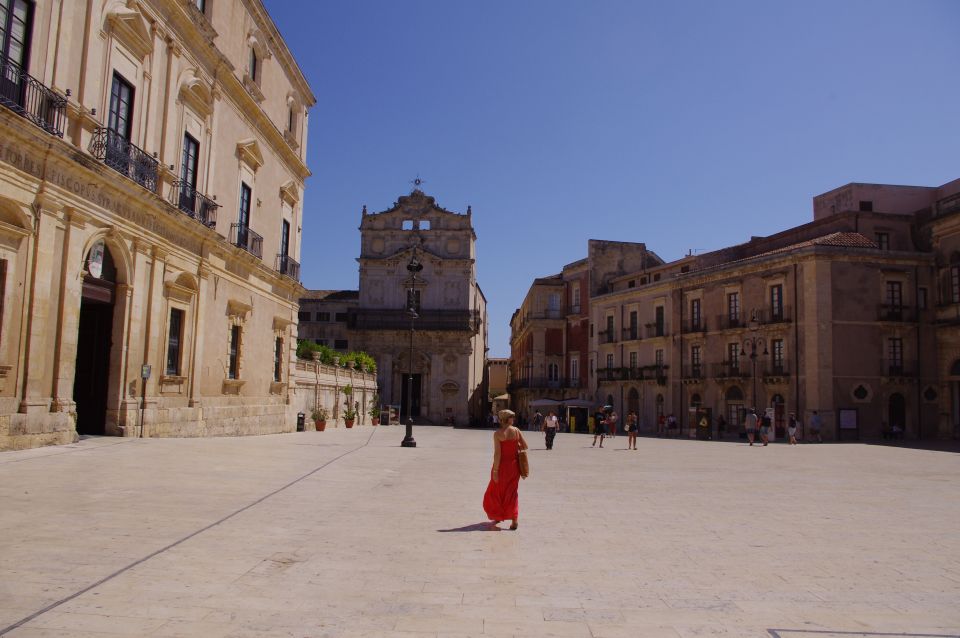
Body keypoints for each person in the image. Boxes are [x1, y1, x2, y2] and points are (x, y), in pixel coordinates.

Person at [482, 409, 528, 530]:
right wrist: (516, 445)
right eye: (512, 417)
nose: (513, 419)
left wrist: (495, 471)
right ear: (508, 419)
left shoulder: (498, 434)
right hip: (514, 467)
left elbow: (497, 454)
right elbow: (525, 446)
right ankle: (514, 520)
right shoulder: (517, 431)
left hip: (502, 466)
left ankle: (497, 515)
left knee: (495, 492)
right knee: (512, 493)